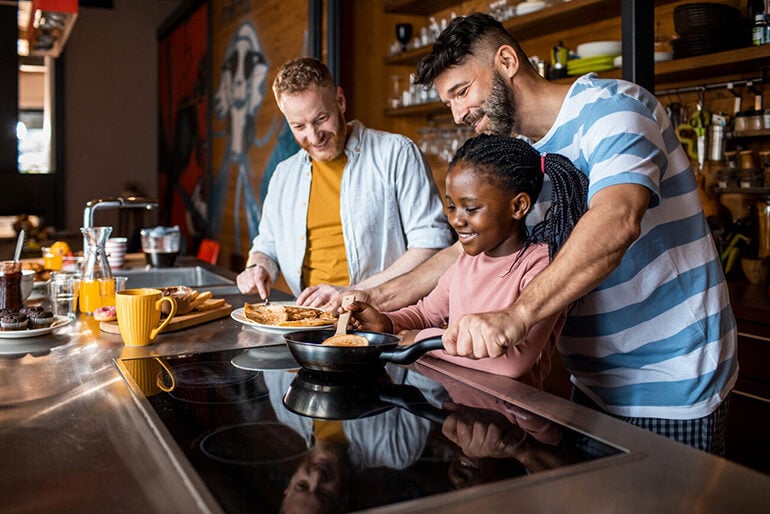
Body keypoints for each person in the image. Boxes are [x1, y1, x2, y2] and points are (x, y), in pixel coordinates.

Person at [347, 13, 737, 454]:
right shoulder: (521, 156)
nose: (458, 114)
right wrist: (372, 298)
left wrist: (517, 315)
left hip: (671, 380)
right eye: (449, 102)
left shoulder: (614, 109)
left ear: (508, 61)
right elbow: (463, 253)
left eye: (462, 91)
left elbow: (617, 217)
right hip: (589, 382)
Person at [346, 134, 588, 388]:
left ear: (518, 206)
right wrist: (386, 323)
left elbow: (511, 364)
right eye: (451, 207)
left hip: (519, 415)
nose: (456, 220)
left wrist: (420, 340)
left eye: (471, 209)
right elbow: (425, 313)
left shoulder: (543, 266)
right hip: (465, 405)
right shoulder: (465, 260)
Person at [236, 57, 453, 306]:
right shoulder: (284, 174)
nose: (314, 136)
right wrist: (258, 267)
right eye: (298, 126)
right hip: (311, 320)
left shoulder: (397, 153)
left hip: (384, 315)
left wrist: (352, 292)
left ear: (340, 101)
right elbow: (267, 245)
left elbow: (432, 245)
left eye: (320, 119)